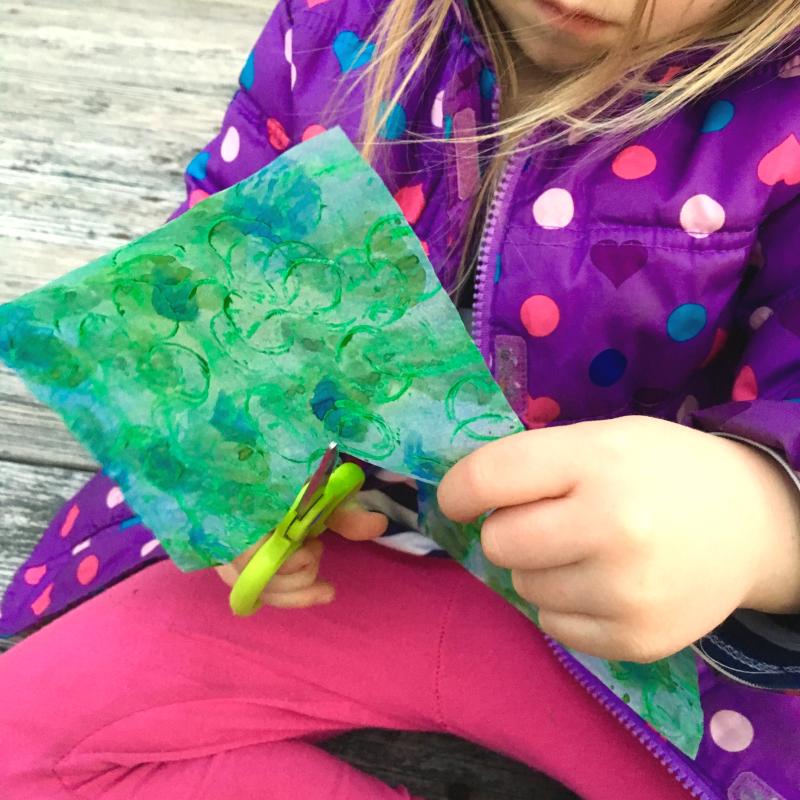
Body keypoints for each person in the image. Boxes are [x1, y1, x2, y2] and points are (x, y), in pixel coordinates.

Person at [1, 0, 800, 796]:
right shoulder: (333, 27)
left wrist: (760, 522)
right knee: (25, 731)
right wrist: (238, 468)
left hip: (683, 657)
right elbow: (221, 257)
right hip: (356, 554)